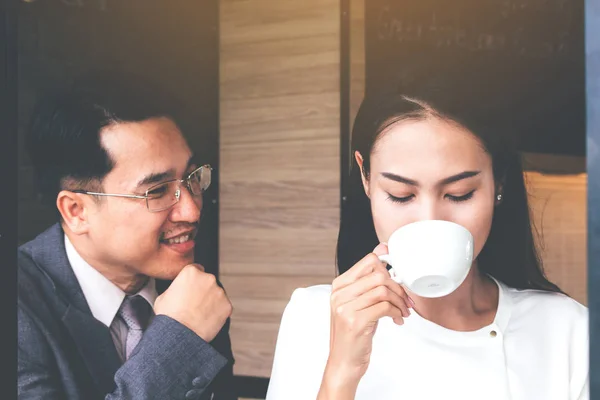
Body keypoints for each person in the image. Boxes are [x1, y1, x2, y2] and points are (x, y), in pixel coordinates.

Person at [265, 87, 589, 399]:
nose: (429, 220)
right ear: (365, 177)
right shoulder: (314, 318)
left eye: (459, 194)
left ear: (498, 180)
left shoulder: (567, 332)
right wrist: (341, 372)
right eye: (401, 195)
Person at [18, 74, 237, 400]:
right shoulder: (18, 310)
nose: (191, 211)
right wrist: (180, 336)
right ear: (77, 211)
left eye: (192, 177)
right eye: (158, 190)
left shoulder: (192, 288)